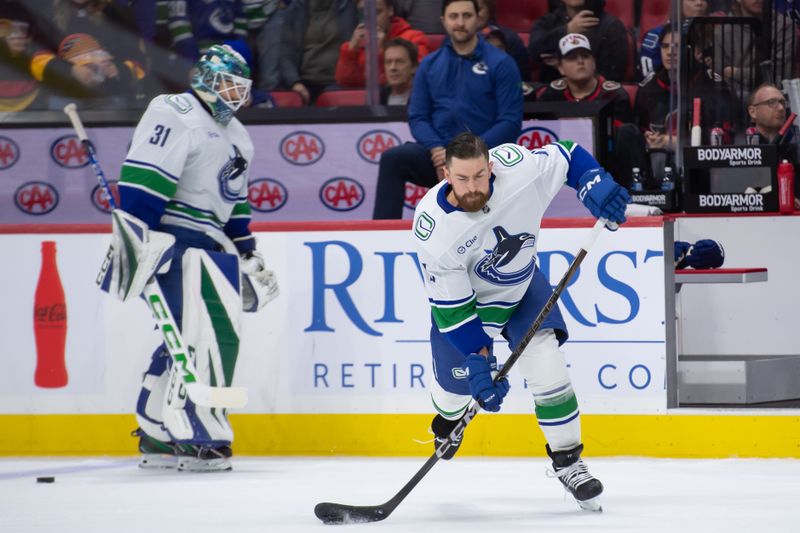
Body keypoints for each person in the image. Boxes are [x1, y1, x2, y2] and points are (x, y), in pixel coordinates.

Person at [412, 132, 629, 511]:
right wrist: (479, 361)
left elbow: (568, 155)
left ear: (490, 166)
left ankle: (569, 462)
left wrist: (593, 182)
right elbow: (456, 313)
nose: (473, 186)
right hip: (472, 309)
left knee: (549, 367)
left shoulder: (519, 169)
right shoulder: (434, 229)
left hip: (523, 287)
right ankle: (447, 421)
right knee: (454, 396)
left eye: (480, 176)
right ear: (446, 174)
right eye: (462, 179)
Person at [115, 44, 279, 472]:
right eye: (226, 83)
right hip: (171, 237)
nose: (233, 94)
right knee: (195, 337)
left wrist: (248, 253)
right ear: (204, 77)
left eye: (240, 88)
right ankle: (198, 432)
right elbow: (142, 179)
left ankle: (153, 427)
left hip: (212, 245)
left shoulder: (239, 135)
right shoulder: (173, 110)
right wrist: (138, 237)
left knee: (195, 337)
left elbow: (235, 203)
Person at [372, 0, 522, 219]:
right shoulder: (430, 64)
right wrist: (436, 149)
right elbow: (418, 117)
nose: (460, 22)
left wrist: (472, 151)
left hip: (485, 155)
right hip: (439, 155)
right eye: (453, 16)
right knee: (394, 159)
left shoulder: (501, 63)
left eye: (466, 16)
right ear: (443, 21)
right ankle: (381, 238)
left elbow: (510, 121)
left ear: (478, 19)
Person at [537, 33, 633, 128]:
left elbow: (623, 136)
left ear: (594, 63)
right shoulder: (551, 94)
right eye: (572, 58)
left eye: (585, 56)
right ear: (561, 68)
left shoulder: (614, 95)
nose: (580, 61)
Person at [528, 0, 629, 84]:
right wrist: (566, 30)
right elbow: (534, 51)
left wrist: (567, 66)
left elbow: (613, 77)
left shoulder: (611, 26)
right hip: (554, 98)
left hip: (598, 100)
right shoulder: (547, 22)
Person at [335, 0, 428, 87]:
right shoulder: (355, 44)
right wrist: (351, 50)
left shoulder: (414, 38)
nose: (370, 19)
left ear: (390, 10)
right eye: (363, 14)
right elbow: (344, 82)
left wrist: (380, 51)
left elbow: (416, 78)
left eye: (376, 12)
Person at [280, 0, 357, 105]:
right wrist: (295, 82)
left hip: (337, 83)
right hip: (304, 83)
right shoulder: (296, 9)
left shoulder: (348, 5)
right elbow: (285, 54)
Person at [475, 0, 530, 80]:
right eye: (466, 11)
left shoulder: (509, 38)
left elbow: (521, 80)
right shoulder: (451, 40)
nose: (473, 14)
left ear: (489, 8)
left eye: (478, 9)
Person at [380, 37, 418, 105]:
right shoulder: (377, 99)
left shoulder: (424, 98)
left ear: (413, 67)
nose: (393, 67)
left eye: (400, 62)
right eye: (388, 62)